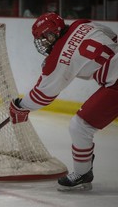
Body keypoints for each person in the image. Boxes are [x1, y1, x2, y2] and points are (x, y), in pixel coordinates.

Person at [9, 12, 118, 191]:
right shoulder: (82, 23)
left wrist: (21, 106)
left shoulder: (59, 57)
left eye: (45, 37)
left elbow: (43, 95)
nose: (44, 43)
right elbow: (112, 36)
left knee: (80, 126)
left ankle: (82, 173)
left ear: (54, 33)